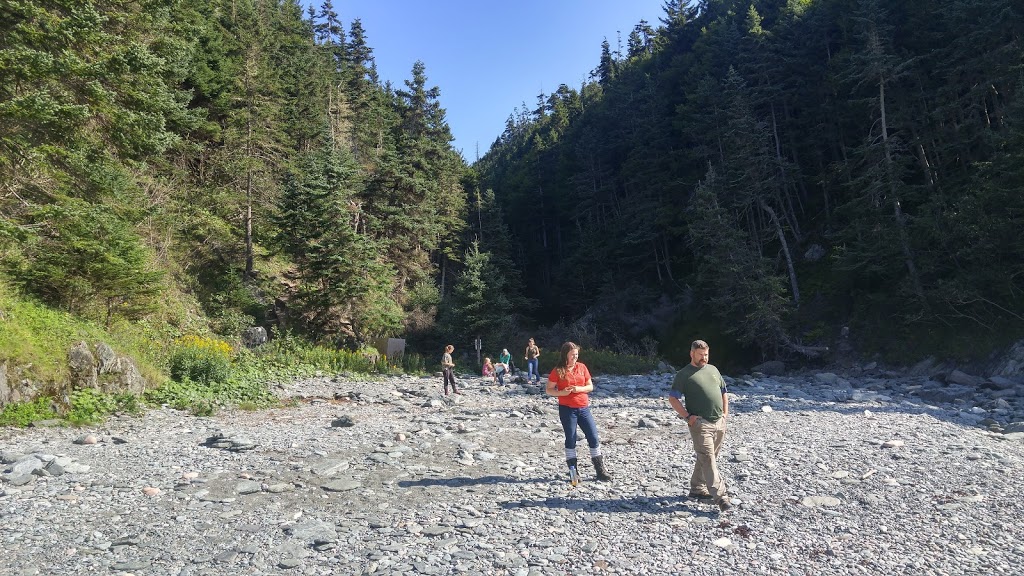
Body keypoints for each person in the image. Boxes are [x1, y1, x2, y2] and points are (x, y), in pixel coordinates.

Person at [668, 339, 730, 511]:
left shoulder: (713, 370)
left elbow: (724, 392)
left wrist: (725, 414)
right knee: (708, 459)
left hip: (719, 422)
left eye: (706, 354)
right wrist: (688, 416)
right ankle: (721, 497)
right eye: (701, 355)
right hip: (700, 424)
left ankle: (697, 488)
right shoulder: (684, 374)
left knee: (707, 457)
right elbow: (673, 398)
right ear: (692, 354)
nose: (704, 358)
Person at [546, 341, 611, 484]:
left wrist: (578, 389)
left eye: (576, 354)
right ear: (565, 355)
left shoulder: (582, 367)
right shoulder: (558, 370)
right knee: (571, 438)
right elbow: (549, 389)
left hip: (583, 408)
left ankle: (600, 471)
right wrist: (562, 392)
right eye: (572, 355)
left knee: (593, 436)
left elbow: (590, 386)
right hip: (567, 409)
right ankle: (573, 473)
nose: (575, 357)